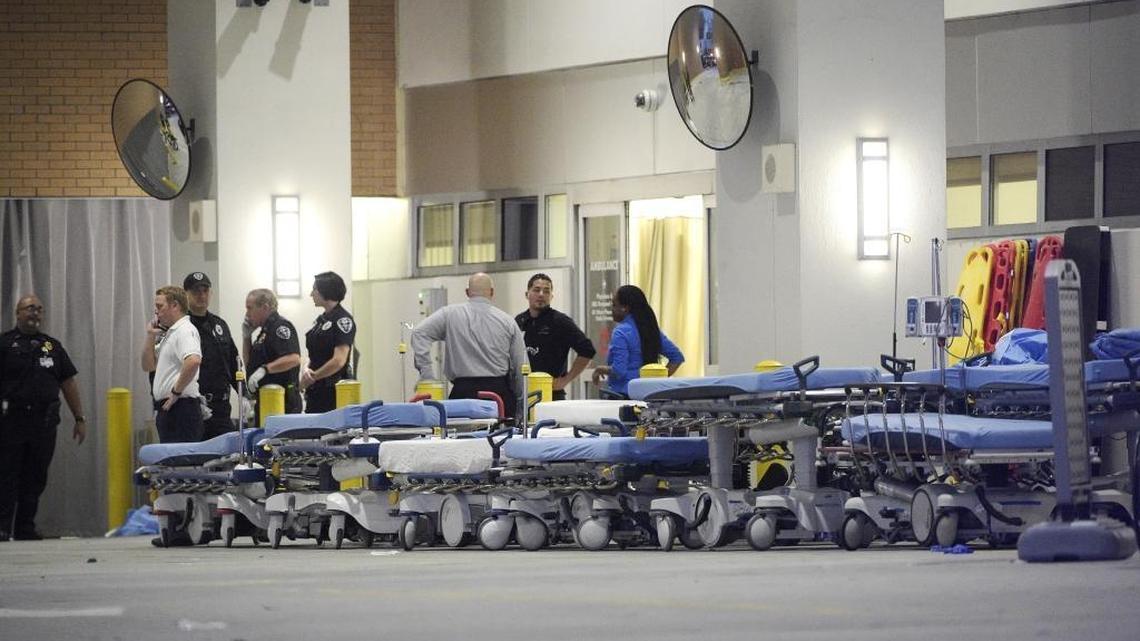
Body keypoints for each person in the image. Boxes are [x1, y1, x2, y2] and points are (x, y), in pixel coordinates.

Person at [0, 296, 86, 541]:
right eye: (30, 308)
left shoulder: (51, 346)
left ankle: (25, 528)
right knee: (7, 474)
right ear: (18, 312)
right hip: (11, 421)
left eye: (39, 309)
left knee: (36, 476)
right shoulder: (5, 343)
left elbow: (68, 382)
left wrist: (79, 418)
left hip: (43, 422)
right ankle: (3, 527)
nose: (35, 313)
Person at [412, 272, 526, 418]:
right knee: (499, 432)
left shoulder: (449, 314)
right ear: (492, 292)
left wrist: (427, 376)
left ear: (467, 292)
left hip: (462, 394)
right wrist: (521, 403)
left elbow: (419, 333)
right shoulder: (507, 321)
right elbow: (521, 365)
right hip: (498, 395)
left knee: (460, 431)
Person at [591, 284, 684, 399]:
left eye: (614, 305)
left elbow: (619, 371)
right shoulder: (651, 331)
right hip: (648, 395)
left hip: (623, 396)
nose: (611, 310)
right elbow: (677, 357)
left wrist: (600, 369)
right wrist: (657, 379)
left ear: (625, 308)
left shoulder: (620, 332)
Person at [514, 273, 596, 401]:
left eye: (546, 291)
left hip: (552, 394)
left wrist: (566, 380)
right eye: (536, 290)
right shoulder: (519, 321)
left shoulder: (560, 321)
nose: (541, 294)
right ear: (527, 294)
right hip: (524, 393)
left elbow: (588, 350)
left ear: (551, 296)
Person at [140, 286, 204, 443]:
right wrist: (150, 335)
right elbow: (148, 366)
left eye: (160, 306)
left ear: (175, 305)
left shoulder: (184, 330)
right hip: (170, 407)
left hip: (181, 407)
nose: (156, 311)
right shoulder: (171, 333)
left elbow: (193, 360)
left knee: (180, 457)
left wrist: (176, 392)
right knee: (170, 456)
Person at [183, 272, 240, 440]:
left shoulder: (219, 325)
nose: (201, 295)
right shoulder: (181, 326)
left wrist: (243, 393)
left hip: (221, 408)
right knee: (196, 454)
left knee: (229, 452)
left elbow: (234, 362)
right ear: (186, 294)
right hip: (194, 407)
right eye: (196, 291)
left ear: (211, 293)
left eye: (205, 291)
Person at [301, 272, 357, 413]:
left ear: (325, 291)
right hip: (317, 390)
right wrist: (306, 369)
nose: (311, 294)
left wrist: (313, 377)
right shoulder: (321, 321)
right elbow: (313, 353)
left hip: (334, 391)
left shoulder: (342, 320)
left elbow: (339, 360)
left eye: (314, 289)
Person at [243, 288, 302, 416]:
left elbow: (293, 358)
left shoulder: (280, 327)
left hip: (282, 402)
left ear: (265, 307)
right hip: (266, 399)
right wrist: (246, 338)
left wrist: (265, 369)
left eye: (250, 308)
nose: (247, 314)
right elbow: (249, 364)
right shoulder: (264, 332)